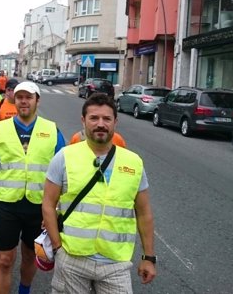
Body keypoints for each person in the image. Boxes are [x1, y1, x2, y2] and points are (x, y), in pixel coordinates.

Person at [42, 93, 156, 293]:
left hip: (115, 263)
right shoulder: (64, 157)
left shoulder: (133, 162)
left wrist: (149, 257)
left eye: (107, 119)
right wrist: (59, 248)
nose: (100, 124)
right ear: (83, 121)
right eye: (94, 118)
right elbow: (48, 205)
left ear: (115, 122)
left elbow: (144, 212)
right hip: (72, 258)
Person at [0, 81, 66, 294]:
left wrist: (56, 209)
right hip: (6, 204)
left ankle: (24, 290)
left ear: (37, 101)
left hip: (39, 207)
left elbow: (63, 174)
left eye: (28, 97)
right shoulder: (0, 128)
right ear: (15, 99)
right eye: (20, 97)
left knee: (31, 255)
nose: (23, 101)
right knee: (4, 259)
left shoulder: (51, 130)